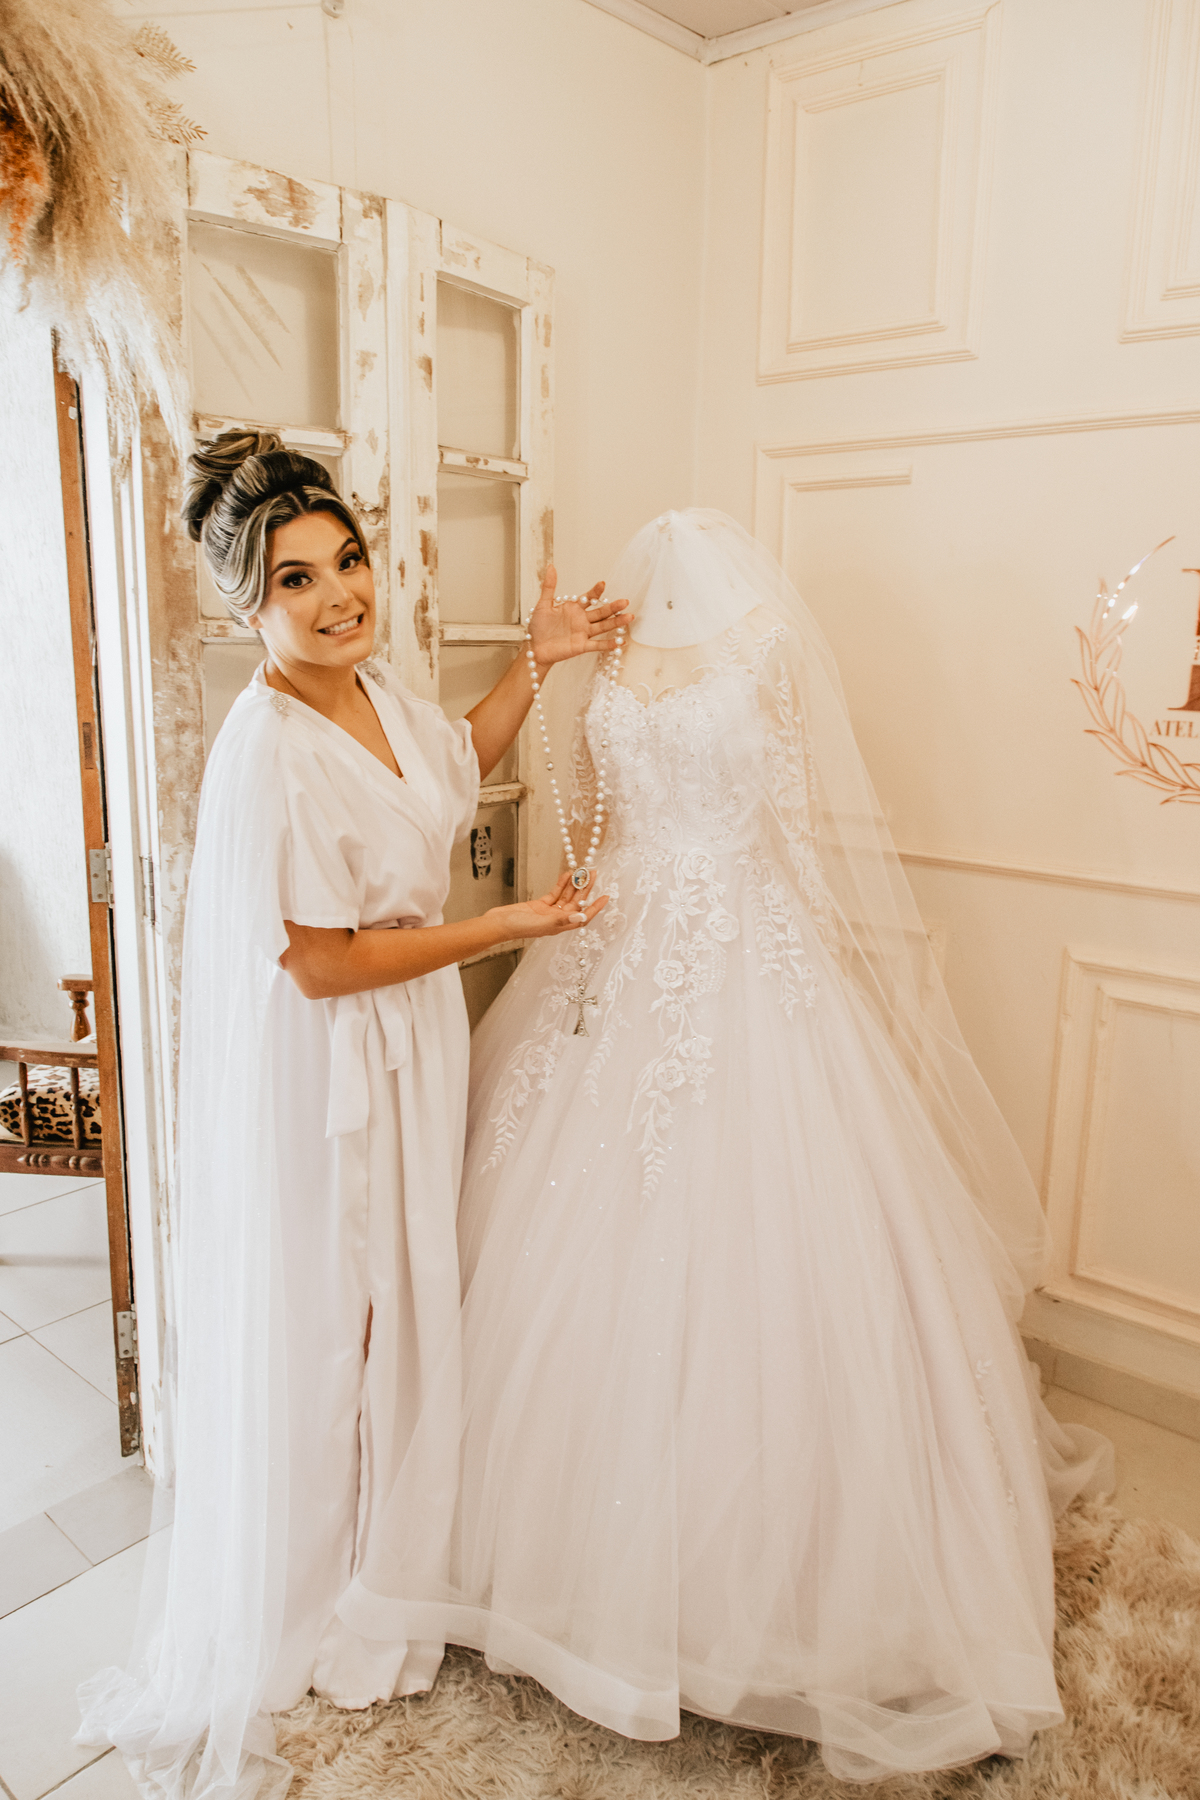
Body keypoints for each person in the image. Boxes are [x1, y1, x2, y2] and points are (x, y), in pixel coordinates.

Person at [325, 509, 1113, 1785]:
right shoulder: (609, 654)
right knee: (559, 1222)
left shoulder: (763, 648)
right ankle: (548, 1556)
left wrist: (807, 959)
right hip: (614, 931)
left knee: (767, 1236)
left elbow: (791, 821)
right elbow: (591, 814)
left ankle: (762, 1582)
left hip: (744, 940)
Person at [77, 431, 629, 1800]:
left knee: (401, 1292)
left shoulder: (376, 689)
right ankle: (325, 1590)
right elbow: (321, 962)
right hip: (334, 1058)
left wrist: (539, 659)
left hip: (408, 1037)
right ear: (245, 610)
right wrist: (501, 925)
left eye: (347, 560)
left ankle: (396, 1554)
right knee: (340, 1312)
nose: (338, 596)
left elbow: (449, 767)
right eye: (295, 580)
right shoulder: (268, 750)